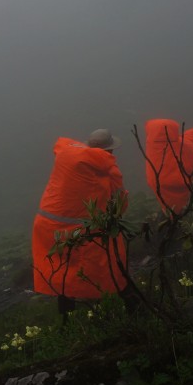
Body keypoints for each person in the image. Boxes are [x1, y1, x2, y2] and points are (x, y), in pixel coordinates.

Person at [32, 129, 131, 321]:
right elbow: (120, 204)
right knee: (112, 269)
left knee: (63, 275)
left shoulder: (67, 161)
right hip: (86, 231)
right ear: (109, 151)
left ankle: (67, 324)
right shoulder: (109, 171)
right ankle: (132, 311)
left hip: (49, 228)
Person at [144, 119, 193, 215]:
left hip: (155, 180)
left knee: (167, 209)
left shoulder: (152, 144)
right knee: (178, 213)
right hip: (175, 185)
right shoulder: (187, 146)